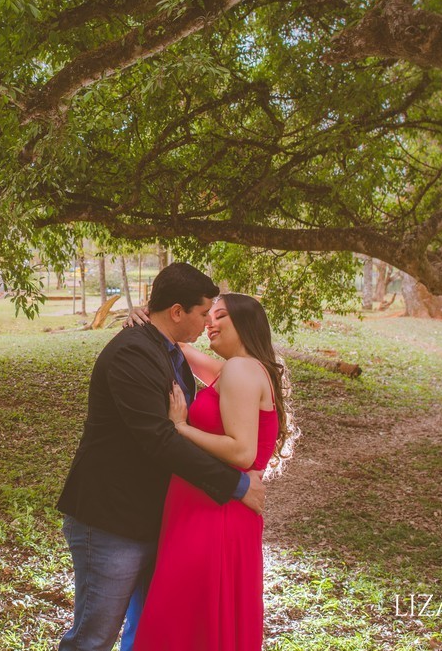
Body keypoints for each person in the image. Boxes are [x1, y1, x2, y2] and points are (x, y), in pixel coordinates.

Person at [56, 263, 268, 651]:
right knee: (93, 638)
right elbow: (158, 438)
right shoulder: (131, 353)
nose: (207, 323)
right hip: (111, 520)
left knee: (145, 635)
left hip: (154, 518)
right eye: (203, 313)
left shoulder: (166, 348)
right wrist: (236, 485)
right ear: (176, 312)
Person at [130, 292, 295, 651]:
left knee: (183, 620)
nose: (209, 322)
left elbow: (241, 450)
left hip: (213, 514)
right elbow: (181, 349)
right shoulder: (238, 369)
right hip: (211, 509)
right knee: (196, 621)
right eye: (208, 314)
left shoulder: (239, 369)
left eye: (220, 316)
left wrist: (180, 427)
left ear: (246, 325)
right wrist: (151, 319)